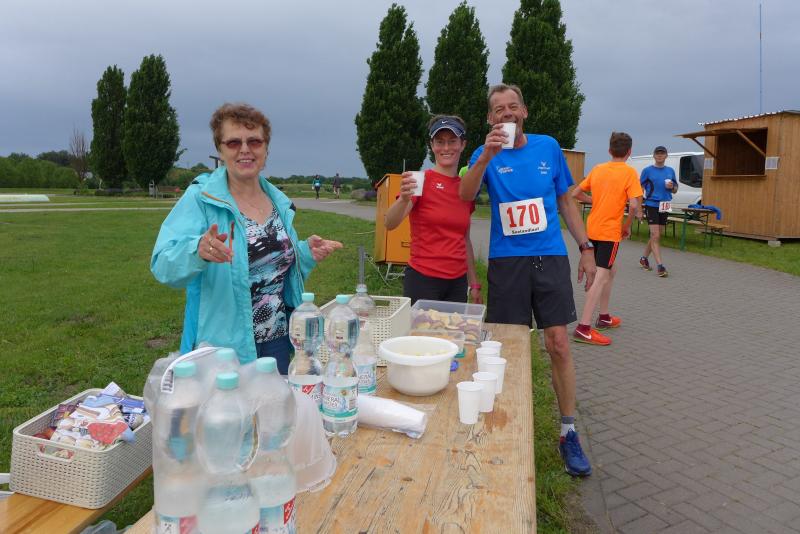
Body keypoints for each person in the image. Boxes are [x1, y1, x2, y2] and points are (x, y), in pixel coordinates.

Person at [460, 84, 595, 477]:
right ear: (490, 118)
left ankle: (568, 432)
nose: (507, 113)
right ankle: (507, 426)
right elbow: (465, 194)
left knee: (559, 344)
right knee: (508, 348)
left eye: (513, 106)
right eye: (498, 109)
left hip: (549, 256)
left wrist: (586, 247)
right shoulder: (484, 152)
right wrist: (487, 156)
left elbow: (565, 200)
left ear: (524, 112)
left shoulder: (547, 147)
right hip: (508, 262)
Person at [151, 103, 342, 374]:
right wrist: (197, 250)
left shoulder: (278, 201)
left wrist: (304, 253)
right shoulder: (201, 198)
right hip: (223, 348)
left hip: (277, 340)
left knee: (275, 402)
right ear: (220, 150)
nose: (245, 149)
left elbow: (269, 266)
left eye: (254, 141)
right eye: (233, 143)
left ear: (266, 150)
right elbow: (162, 264)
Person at [384, 115, 482, 305]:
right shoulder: (420, 180)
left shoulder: (466, 189)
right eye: (440, 142)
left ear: (462, 144)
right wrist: (403, 199)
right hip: (423, 279)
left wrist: (474, 283)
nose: (446, 148)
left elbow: (464, 239)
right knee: (423, 327)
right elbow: (390, 223)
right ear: (432, 145)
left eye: (452, 141)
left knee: (454, 326)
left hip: (457, 282)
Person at [570, 132, 643, 346]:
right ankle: (584, 328)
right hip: (610, 232)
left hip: (592, 229)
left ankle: (604, 317)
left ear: (610, 150)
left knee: (611, 270)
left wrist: (595, 201)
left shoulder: (598, 169)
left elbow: (575, 194)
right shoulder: (629, 173)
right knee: (601, 276)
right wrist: (626, 227)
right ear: (629, 152)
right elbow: (634, 205)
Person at [639, 145, 678, 277]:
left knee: (656, 236)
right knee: (655, 236)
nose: (660, 155)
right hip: (651, 204)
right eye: (657, 153)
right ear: (654, 155)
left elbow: (675, 189)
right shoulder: (647, 171)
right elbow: (639, 190)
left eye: (662, 153)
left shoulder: (670, 171)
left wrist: (672, 187)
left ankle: (644, 258)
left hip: (665, 204)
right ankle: (660, 266)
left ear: (666, 156)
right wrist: (639, 208)